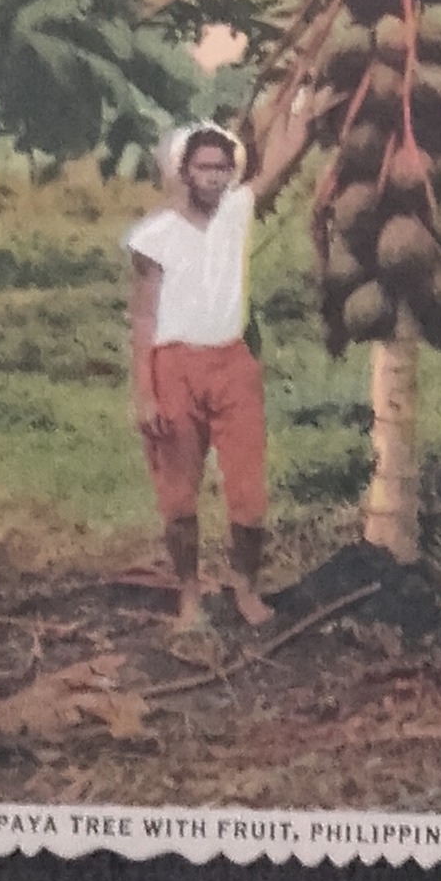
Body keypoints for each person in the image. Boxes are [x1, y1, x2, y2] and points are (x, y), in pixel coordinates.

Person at [123, 121, 273, 633]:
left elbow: (286, 159)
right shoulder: (154, 236)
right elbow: (143, 317)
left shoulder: (237, 211)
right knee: (179, 493)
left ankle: (246, 589)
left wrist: (308, 95)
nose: (213, 177)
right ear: (185, 173)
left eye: (222, 168)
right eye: (204, 167)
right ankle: (189, 597)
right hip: (174, 366)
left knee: (249, 491)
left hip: (232, 362)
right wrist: (145, 391)